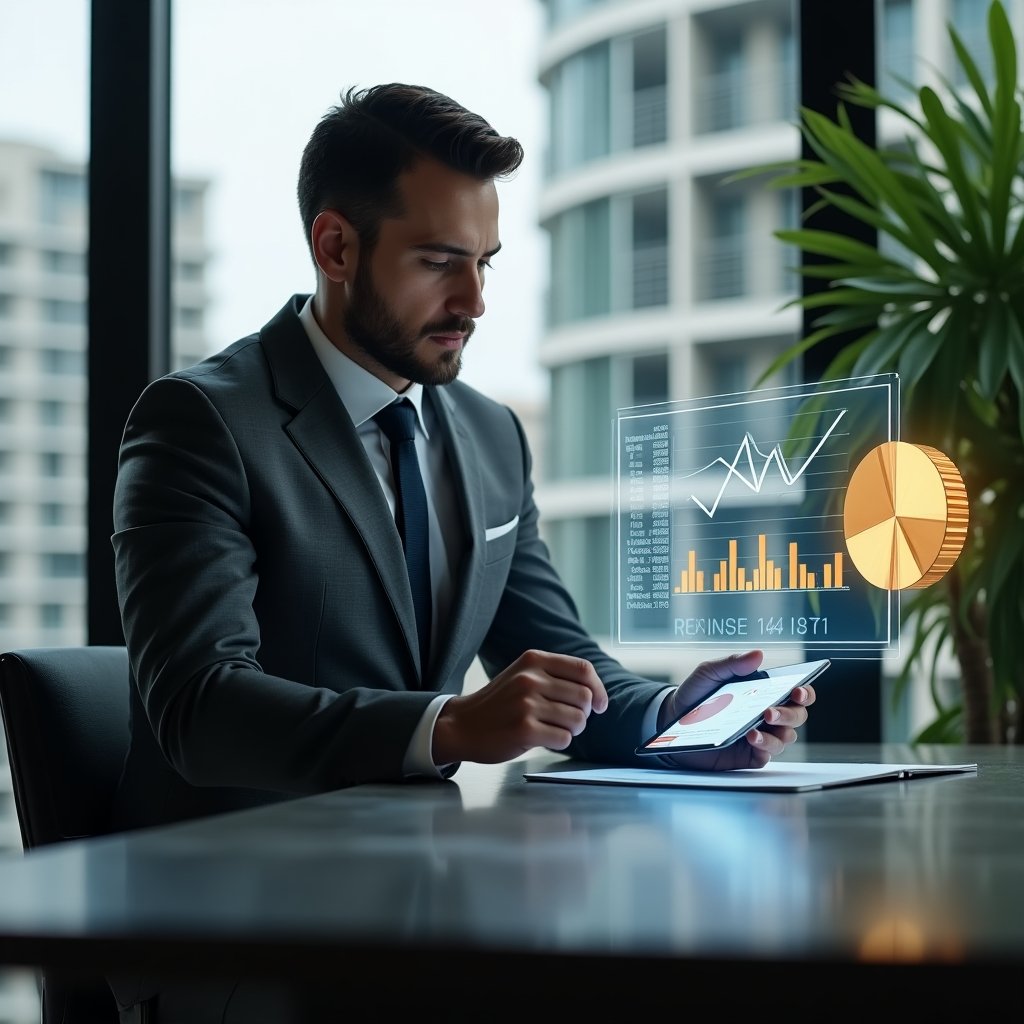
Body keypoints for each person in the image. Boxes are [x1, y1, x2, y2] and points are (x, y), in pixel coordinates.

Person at [109, 83, 815, 1021]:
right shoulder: (202, 422)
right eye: (441, 262)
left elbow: (565, 664)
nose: (475, 300)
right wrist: (447, 727)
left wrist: (677, 719)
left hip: (423, 914)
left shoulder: (488, 435)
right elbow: (198, 710)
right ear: (336, 247)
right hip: (245, 937)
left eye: (485, 262)